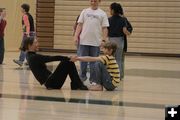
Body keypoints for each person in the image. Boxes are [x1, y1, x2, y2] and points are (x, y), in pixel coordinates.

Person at [22, 37, 88, 90]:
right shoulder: (33, 57)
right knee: (68, 61)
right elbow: (52, 58)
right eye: (35, 43)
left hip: (51, 81)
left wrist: (68, 58)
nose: (38, 44)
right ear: (29, 45)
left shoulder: (29, 55)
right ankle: (77, 84)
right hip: (52, 83)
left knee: (68, 61)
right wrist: (68, 58)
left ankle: (76, 84)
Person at [74, 0, 109, 82]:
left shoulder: (102, 13)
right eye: (92, 1)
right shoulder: (84, 11)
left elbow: (105, 28)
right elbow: (79, 25)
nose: (93, 2)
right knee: (82, 61)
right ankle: (82, 77)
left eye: (95, 1)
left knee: (94, 62)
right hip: (83, 41)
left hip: (96, 42)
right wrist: (75, 36)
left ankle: (93, 79)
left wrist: (104, 40)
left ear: (99, 1)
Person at [108, 2, 131, 80]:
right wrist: (128, 33)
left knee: (111, 59)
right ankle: (119, 76)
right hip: (120, 41)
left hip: (111, 40)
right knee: (119, 59)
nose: (109, 11)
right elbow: (125, 31)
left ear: (113, 10)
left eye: (110, 9)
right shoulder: (123, 19)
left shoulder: (109, 19)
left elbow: (106, 31)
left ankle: (111, 74)